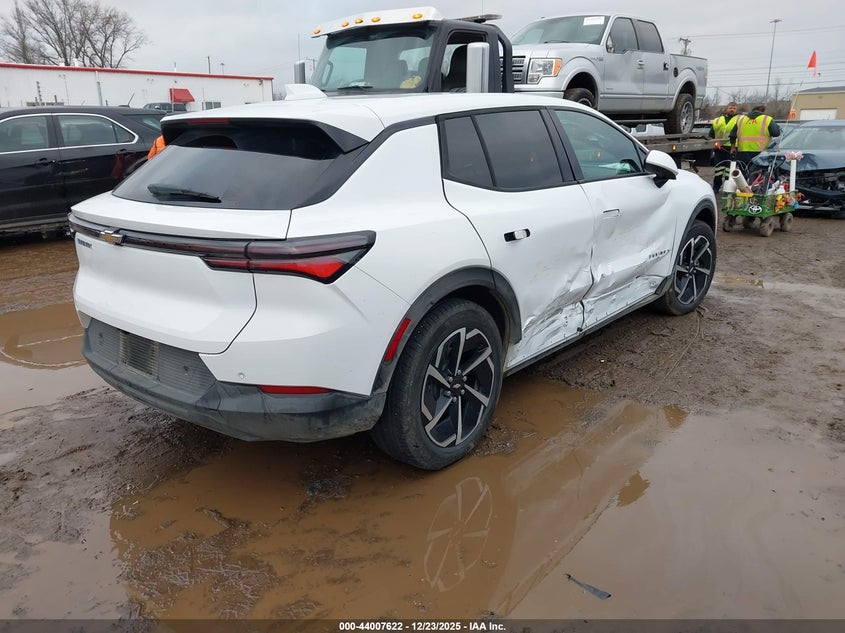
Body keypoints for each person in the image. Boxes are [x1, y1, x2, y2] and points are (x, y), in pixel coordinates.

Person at [729, 104, 781, 175]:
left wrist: (732, 147)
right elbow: (776, 133)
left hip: (743, 152)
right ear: (763, 112)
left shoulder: (741, 119)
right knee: (758, 176)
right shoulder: (766, 119)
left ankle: (744, 186)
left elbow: (732, 135)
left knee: (744, 174)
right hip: (760, 153)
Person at [708, 101, 739, 193]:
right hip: (719, 149)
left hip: (733, 148)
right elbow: (711, 134)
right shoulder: (718, 120)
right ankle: (716, 187)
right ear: (727, 108)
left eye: (734, 108)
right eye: (730, 108)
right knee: (718, 170)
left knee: (729, 171)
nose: (732, 109)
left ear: (736, 110)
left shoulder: (739, 120)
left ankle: (727, 189)